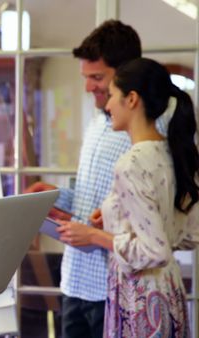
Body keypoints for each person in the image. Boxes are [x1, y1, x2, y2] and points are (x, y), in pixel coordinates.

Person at [56, 57, 199, 337]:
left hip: (141, 296)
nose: (107, 106)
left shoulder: (131, 163)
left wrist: (94, 237)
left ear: (131, 99)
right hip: (169, 288)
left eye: (112, 96)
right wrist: (115, 222)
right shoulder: (175, 153)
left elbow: (152, 250)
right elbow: (189, 234)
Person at [25, 20, 142, 338]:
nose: (88, 87)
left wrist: (111, 220)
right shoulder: (96, 121)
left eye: (97, 77)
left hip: (115, 287)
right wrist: (55, 196)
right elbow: (90, 196)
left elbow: (153, 217)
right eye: (85, 77)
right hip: (75, 280)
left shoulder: (146, 130)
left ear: (125, 74)